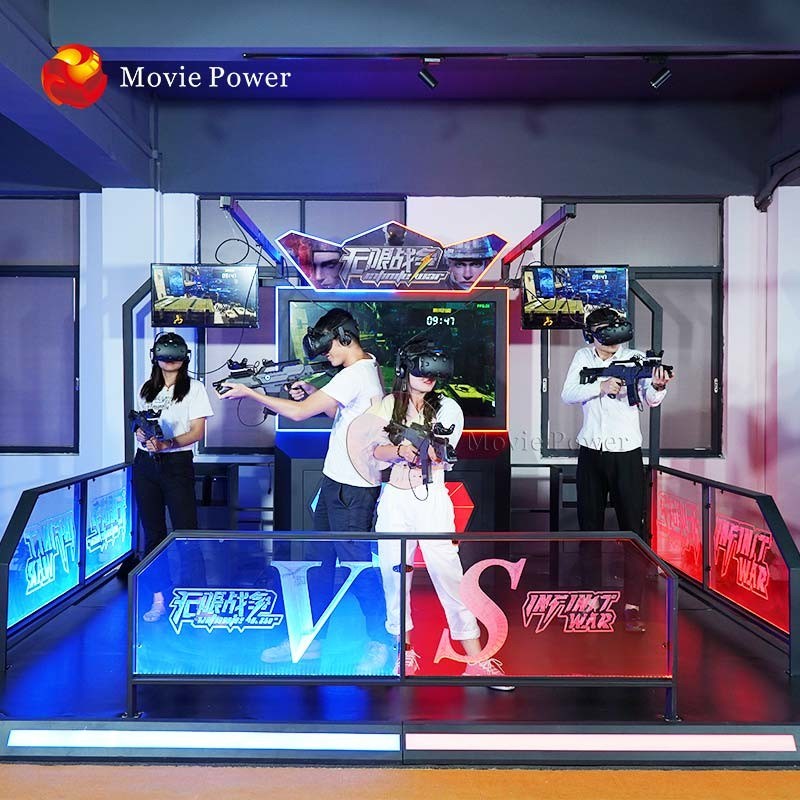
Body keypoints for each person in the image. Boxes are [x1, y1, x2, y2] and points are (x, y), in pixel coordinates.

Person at [218, 308, 390, 671]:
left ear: (345, 338)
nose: (325, 354)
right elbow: (339, 414)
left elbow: (298, 414)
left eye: (328, 347)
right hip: (337, 483)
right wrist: (313, 392)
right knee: (320, 566)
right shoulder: (367, 366)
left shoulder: (354, 374)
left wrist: (251, 392)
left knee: (359, 568)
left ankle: (381, 642)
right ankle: (313, 639)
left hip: (352, 490)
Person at [367, 339, 513, 688]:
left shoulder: (448, 407)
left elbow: (439, 454)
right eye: (422, 367)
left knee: (450, 576)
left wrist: (415, 449)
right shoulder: (387, 405)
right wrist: (398, 450)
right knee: (393, 577)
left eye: (435, 368)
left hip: (432, 498)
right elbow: (373, 450)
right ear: (406, 368)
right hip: (394, 499)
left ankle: (476, 658)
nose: (429, 375)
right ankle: (403, 653)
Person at [560, 307, 674, 632]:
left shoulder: (635, 357)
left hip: (626, 455)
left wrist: (659, 387)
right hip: (591, 453)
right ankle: (591, 601)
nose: (612, 342)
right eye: (605, 335)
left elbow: (650, 399)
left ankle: (632, 605)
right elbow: (568, 394)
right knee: (590, 530)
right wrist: (601, 386)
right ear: (592, 336)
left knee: (632, 533)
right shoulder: (583, 357)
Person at [132, 332, 214, 622]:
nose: (169, 360)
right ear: (155, 357)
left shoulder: (195, 389)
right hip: (145, 465)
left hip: (177, 464)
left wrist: (168, 444)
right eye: (164, 355)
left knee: (186, 533)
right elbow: (140, 425)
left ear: (184, 357)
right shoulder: (146, 389)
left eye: (175, 354)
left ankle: (198, 598)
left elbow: (197, 432)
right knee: (153, 534)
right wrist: (142, 434)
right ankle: (159, 598)